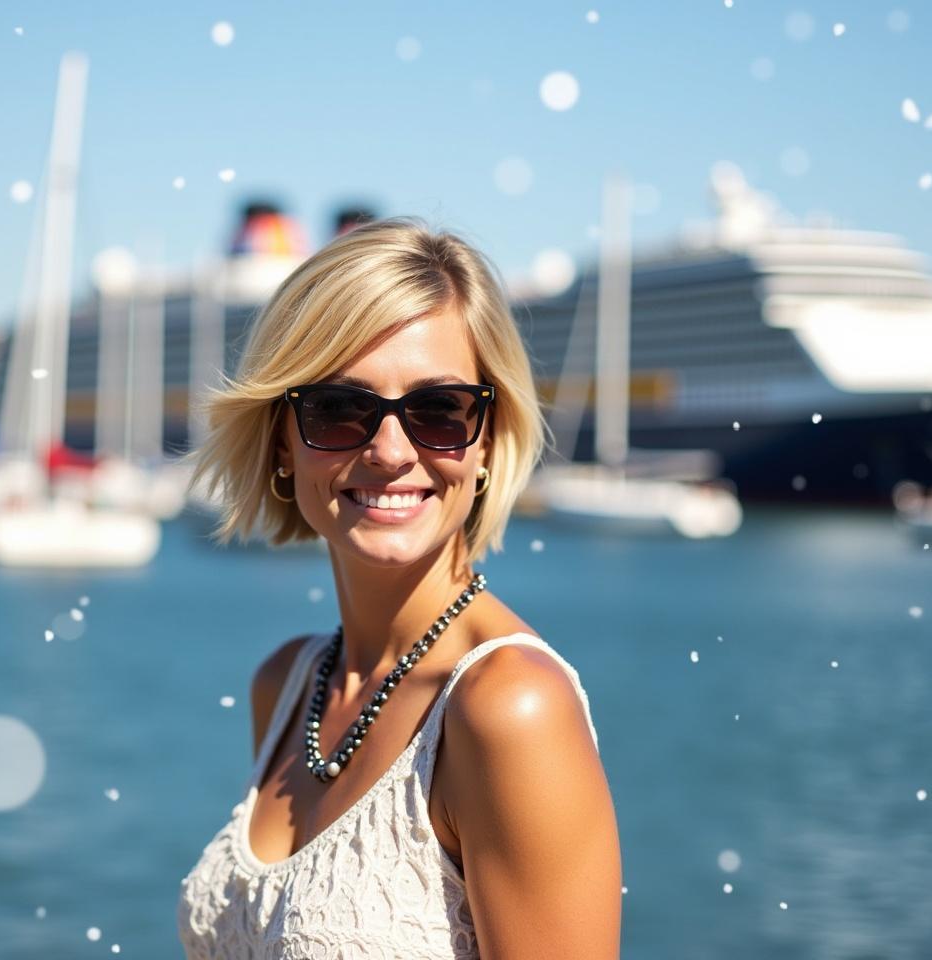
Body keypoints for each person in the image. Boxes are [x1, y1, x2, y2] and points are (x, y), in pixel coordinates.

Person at [177, 217, 622, 959]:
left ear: (485, 440)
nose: (390, 450)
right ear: (282, 439)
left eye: (439, 411)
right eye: (339, 409)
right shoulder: (287, 682)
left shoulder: (509, 708)